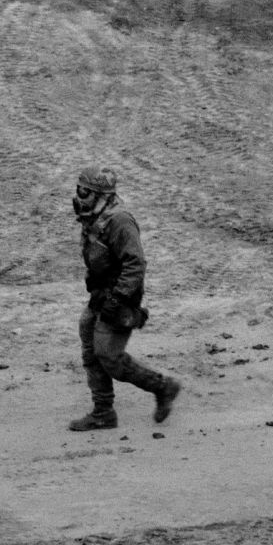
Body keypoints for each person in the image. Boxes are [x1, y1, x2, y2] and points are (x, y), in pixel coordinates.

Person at [68, 165, 183, 431]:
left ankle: (163, 387)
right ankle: (103, 413)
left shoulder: (119, 221)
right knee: (91, 350)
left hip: (119, 297)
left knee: (109, 356)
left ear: (101, 195)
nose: (79, 196)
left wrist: (118, 298)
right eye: (79, 190)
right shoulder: (95, 217)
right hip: (101, 294)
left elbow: (136, 264)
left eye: (85, 191)